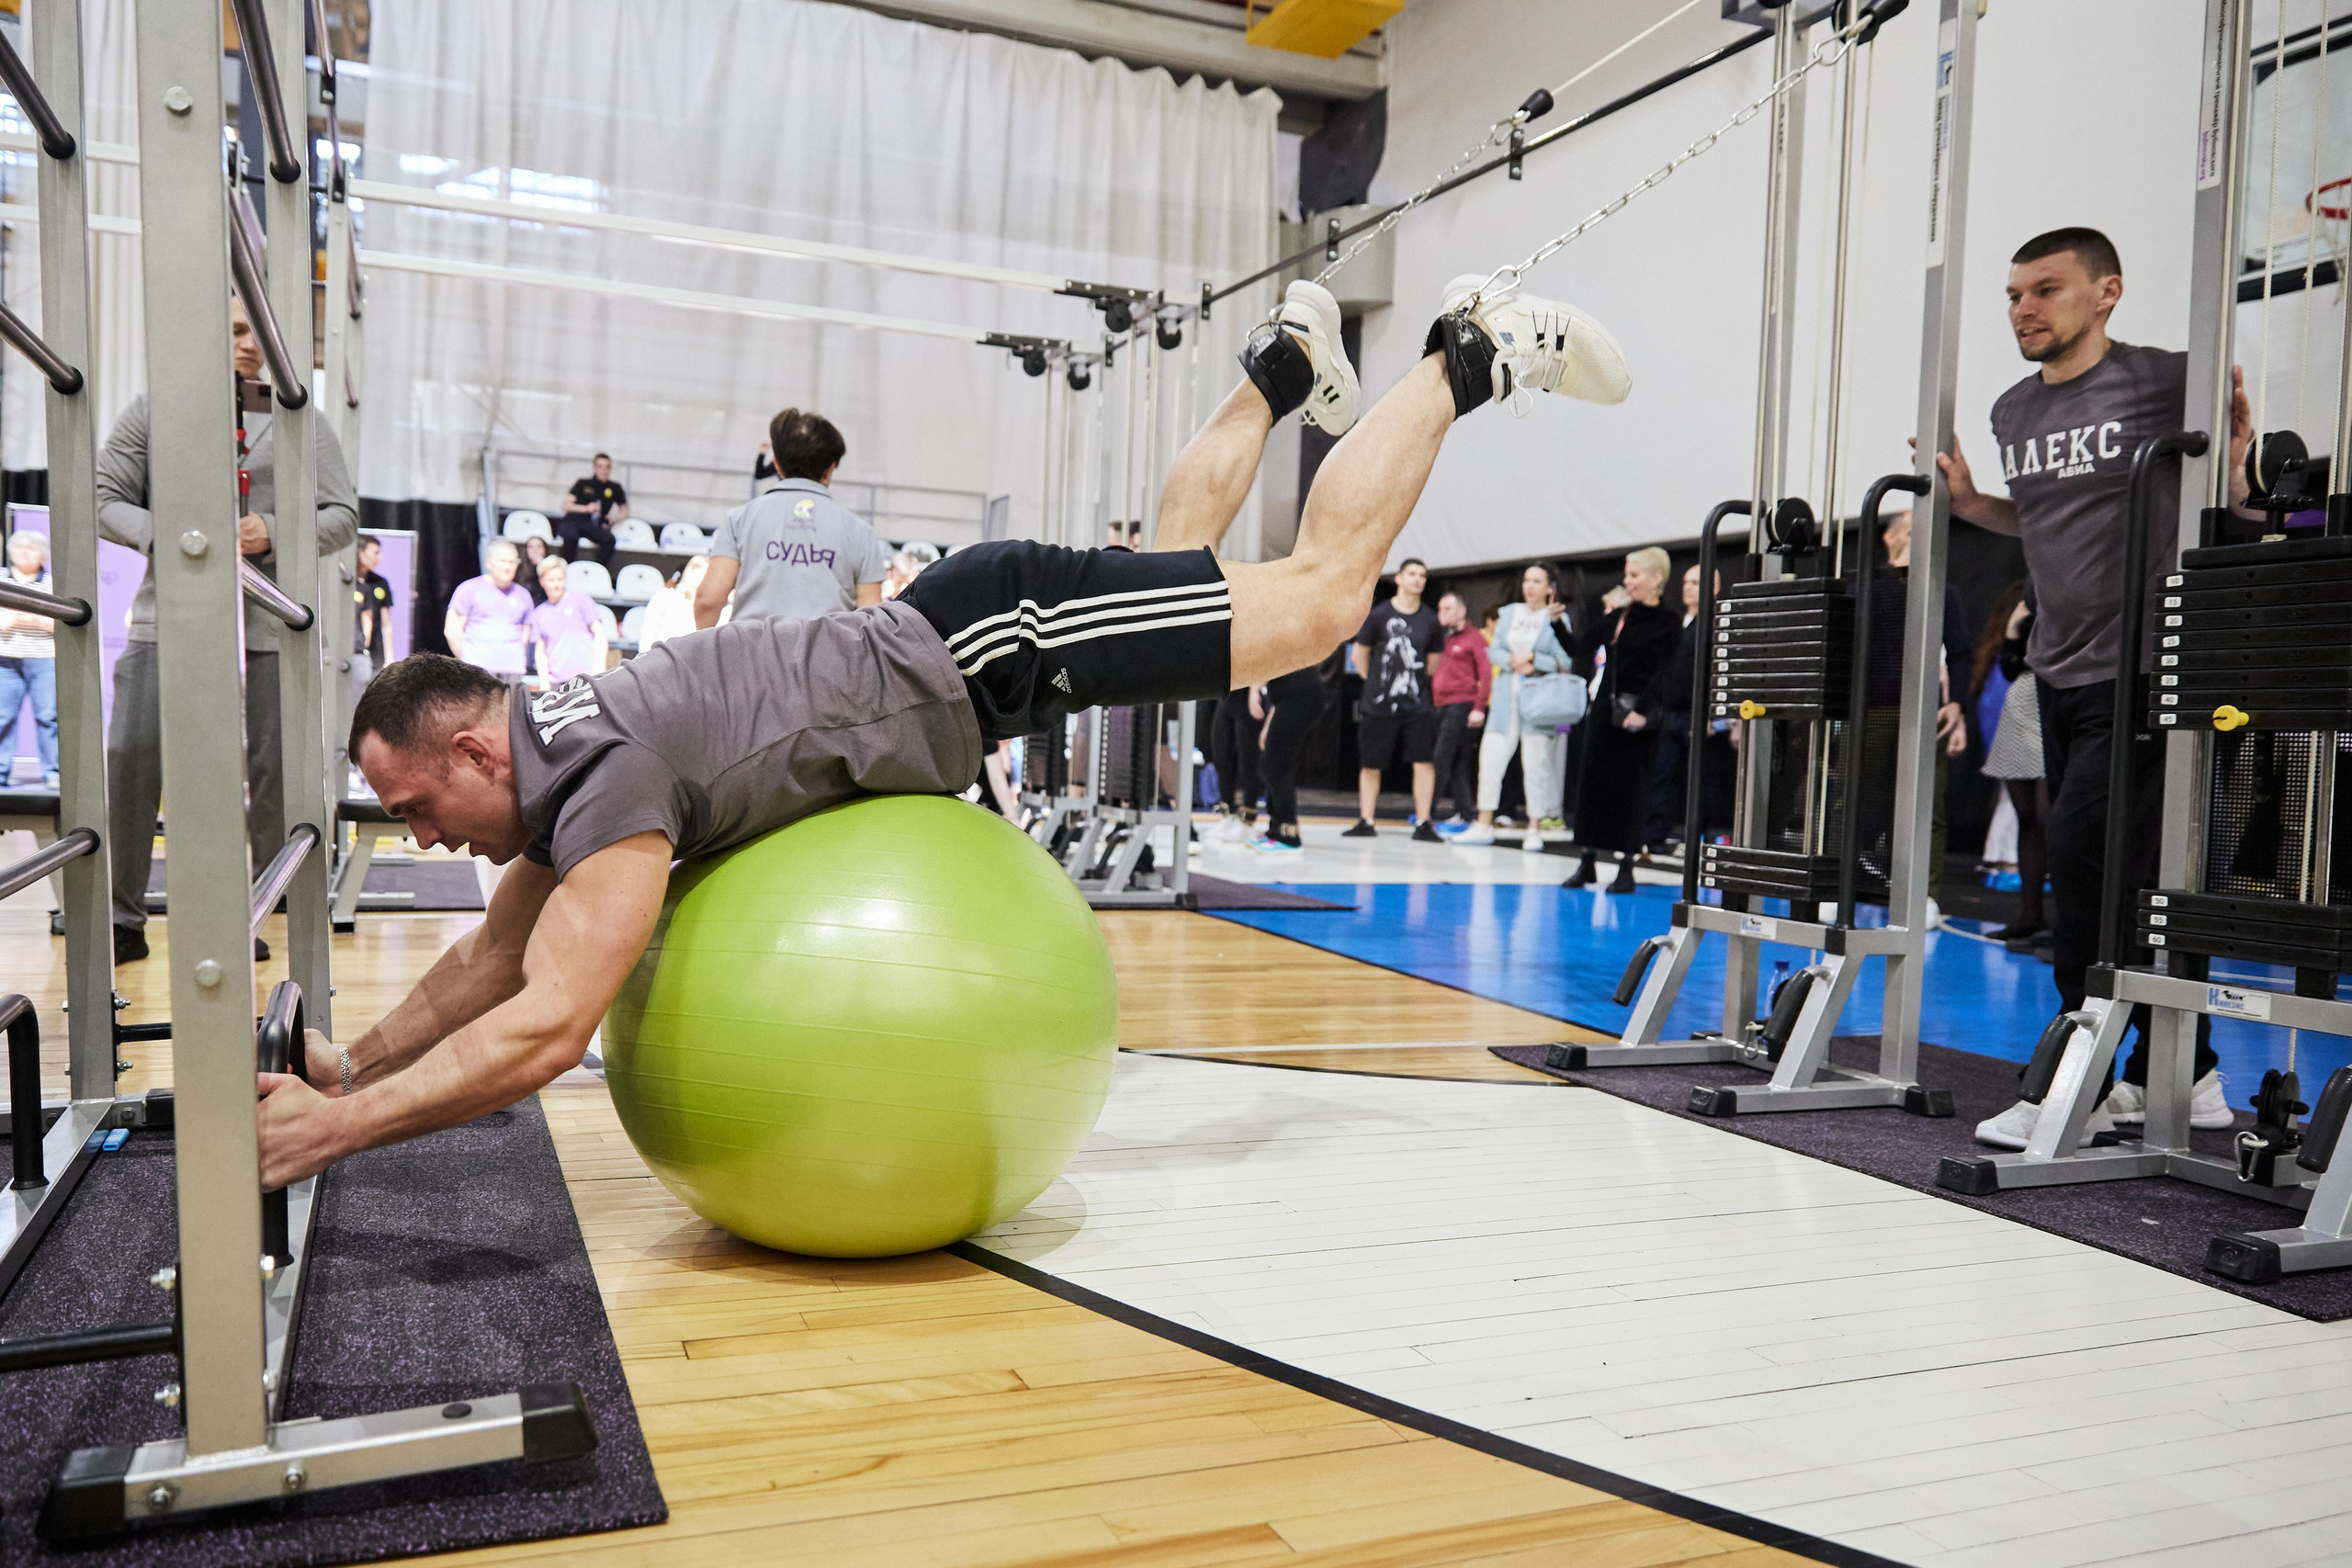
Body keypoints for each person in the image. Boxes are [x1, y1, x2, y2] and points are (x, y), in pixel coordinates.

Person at [252, 270, 1630, 1185]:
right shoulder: (560, 751)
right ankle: (1277, 365)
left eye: (418, 804)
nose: (420, 833)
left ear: (476, 749)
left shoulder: (596, 775)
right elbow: (497, 953)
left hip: (986, 643)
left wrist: (337, 1130)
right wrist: (350, 1063)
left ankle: (1468, 352)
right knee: (1181, 558)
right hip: (976, 646)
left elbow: (551, 1024)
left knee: (1326, 600)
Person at [1933, 227, 2253, 1150]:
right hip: (2057, 672)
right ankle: (2182, 1074)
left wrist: (2234, 467)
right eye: (2011, 294)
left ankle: (2081, 1071)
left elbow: (2225, 495)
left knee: (2083, 858)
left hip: (2148, 667)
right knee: (2108, 872)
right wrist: (1967, 508)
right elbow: (2030, 515)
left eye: (2045, 289)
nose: (2022, 309)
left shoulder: (2164, 379)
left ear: (2106, 292)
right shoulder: (2011, 411)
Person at [99, 298, 358, 965]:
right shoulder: (159, 409)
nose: (248, 345)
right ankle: (120, 917)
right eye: (236, 330)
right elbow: (103, 496)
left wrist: (271, 529)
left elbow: (343, 515)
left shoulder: (303, 421)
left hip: (270, 623)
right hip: (171, 617)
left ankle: (258, 911)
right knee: (130, 756)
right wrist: (179, 539)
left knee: (273, 777)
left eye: (258, 334)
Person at [697, 409, 890, 627]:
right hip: (827, 656)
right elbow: (870, 618)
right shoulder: (861, 532)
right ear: (830, 469)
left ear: (777, 464)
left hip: (751, 654)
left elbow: (709, 599)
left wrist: (707, 654)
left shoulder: (739, 519)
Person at [1566, 547, 1679, 894]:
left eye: (1634, 575)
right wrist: (1557, 621)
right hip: (1605, 712)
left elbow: (1665, 672)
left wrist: (1642, 710)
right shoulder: (1619, 616)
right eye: (1626, 575)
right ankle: (1587, 861)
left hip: (1639, 717)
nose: (1627, 582)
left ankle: (1626, 866)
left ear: (1656, 578)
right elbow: (1579, 647)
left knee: (1632, 791)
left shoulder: (1668, 622)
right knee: (1591, 786)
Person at [1450, 563, 1570, 848]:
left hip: (1537, 702)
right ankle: (1483, 822)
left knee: (1535, 765)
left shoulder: (1555, 619)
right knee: (1490, 761)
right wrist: (1513, 661)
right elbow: (1494, 649)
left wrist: (1533, 660)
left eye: (1537, 581)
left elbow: (1565, 661)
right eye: (1527, 580)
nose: (1530, 586)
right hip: (1505, 700)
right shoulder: (1509, 613)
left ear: (1549, 588)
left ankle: (1534, 827)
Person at [1346, 558, 1444, 841]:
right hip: (1379, 702)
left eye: (1423, 575)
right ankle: (1366, 819)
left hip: (1416, 703)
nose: (1418, 579)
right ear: (1399, 578)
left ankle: (1424, 822)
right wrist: (1375, 683)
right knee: (1371, 762)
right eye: (1412, 574)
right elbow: (1359, 655)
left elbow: (1433, 662)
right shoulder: (1378, 615)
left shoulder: (1430, 619)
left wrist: (1414, 684)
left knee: (1423, 760)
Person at [1974, 581, 2049, 947]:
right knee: (2028, 819)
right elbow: (2010, 665)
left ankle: (2066, 922)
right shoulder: (2028, 598)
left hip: (2061, 703)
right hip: (2024, 703)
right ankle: (2030, 915)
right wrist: (2011, 631)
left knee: (2053, 818)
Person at [1249, 662, 1329, 857]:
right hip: (1292, 697)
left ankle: (1288, 834)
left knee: (1275, 766)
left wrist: (1254, 688)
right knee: (1271, 762)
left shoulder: (1278, 637)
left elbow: (1271, 661)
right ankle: (1276, 828)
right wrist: (1269, 725)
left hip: (1301, 696)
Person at [0, 529, 59, 789]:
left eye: (31, 547)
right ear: (10, 552)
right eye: (19, 546)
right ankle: (1, 772)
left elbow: (64, 623)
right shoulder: (1, 579)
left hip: (43, 659)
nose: (24, 550)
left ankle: (54, 773)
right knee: (2, 718)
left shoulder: (53, 583)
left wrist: (33, 619)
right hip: (5, 660)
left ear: (42, 554)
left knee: (48, 717)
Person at [1428, 591, 1489, 827]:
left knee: (1441, 757)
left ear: (1462, 611)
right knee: (1457, 761)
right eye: (1440, 609)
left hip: (1461, 704)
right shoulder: (1441, 638)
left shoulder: (1474, 638)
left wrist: (1479, 707)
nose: (1441, 614)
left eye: (1448, 609)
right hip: (1438, 704)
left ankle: (1427, 811)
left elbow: (1485, 674)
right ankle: (1465, 811)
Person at [444, 538, 535, 676]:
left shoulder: (523, 595)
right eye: (502, 561)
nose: (507, 567)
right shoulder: (468, 589)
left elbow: (525, 634)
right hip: (478, 670)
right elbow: (452, 631)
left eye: (512, 562)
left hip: (513, 671)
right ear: (489, 563)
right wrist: (469, 661)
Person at [526, 556, 609, 685]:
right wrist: (544, 681)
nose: (556, 584)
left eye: (560, 579)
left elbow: (600, 634)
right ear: (542, 581)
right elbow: (540, 651)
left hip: (586, 679)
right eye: (551, 580)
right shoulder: (539, 613)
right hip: (557, 683)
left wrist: (599, 666)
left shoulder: (582, 600)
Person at [1207, 687, 1262, 841]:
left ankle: (1247, 819)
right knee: (1221, 757)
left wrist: (1256, 689)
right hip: (1227, 693)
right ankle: (1227, 815)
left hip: (1249, 693)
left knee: (1248, 760)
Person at [559, 453, 627, 566]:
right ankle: (565, 570)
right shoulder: (583, 483)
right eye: (600, 467)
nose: (604, 470)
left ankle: (597, 570)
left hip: (592, 525)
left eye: (607, 467)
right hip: (574, 520)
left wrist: (614, 518)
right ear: (594, 468)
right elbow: (565, 505)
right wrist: (586, 508)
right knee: (570, 537)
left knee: (609, 540)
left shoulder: (615, 487)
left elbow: (624, 511)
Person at [637, 555, 709, 653]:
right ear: (691, 573)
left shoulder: (711, 607)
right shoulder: (665, 596)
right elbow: (648, 633)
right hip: (660, 658)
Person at [352, 533, 394, 694]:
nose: (380, 558)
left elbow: (386, 623)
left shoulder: (380, 583)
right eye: (375, 553)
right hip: (355, 653)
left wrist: (389, 658)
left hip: (376, 655)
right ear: (360, 552)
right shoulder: (345, 582)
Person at [518, 534, 554, 604]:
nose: (535, 550)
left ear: (545, 549)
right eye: (531, 547)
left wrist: (542, 566)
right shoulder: (519, 568)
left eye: (539, 547)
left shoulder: (552, 569)